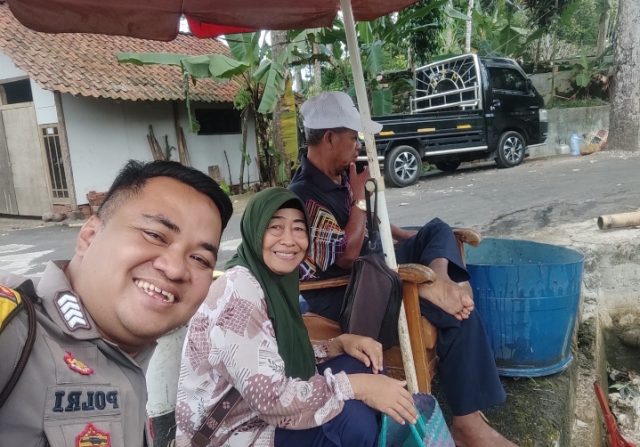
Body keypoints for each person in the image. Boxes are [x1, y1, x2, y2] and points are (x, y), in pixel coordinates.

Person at [289, 91, 517, 447]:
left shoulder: (338, 178)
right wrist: (360, 196)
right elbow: (347, 254)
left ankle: (439, 281)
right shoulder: (303, 196)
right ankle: (468, 425)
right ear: (330, 137)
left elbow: (370, 224)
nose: (357, 145)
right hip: (349, 292)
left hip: (377, 269)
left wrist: (405, 236)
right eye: (353, 137)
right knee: (456, 312)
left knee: (437, 229)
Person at [0, 160, 233, 447]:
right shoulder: (14, 330)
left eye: (200, 259)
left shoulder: (130, 357)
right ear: (89, 236)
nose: (175, 269)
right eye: (155, 235)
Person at [174, 187, 417, 447]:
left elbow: (271, 354)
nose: (289, 240)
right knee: (352, 421)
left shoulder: (271, 279)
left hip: (253, 409)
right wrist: (359, 387)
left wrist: (335, 345)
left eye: (299, 228)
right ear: (255, 230)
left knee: (363, 365)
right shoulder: (239, 293)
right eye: (275, 227)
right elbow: (271, 399)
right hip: (229, 432)